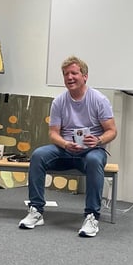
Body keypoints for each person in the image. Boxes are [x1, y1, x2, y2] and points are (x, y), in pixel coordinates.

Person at [18, 56, 117, 237]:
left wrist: (98, 140)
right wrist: (65, 143)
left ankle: (92, 217)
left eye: (74, 73)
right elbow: (53, 133)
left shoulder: (99, 99)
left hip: (92, 151)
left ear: (85, 76)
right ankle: (36, 211)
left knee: (94, 160)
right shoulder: (59, 102)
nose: (69, 77)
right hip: (65, 150)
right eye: (66, 74)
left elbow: (112, 131)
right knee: (38, 155)